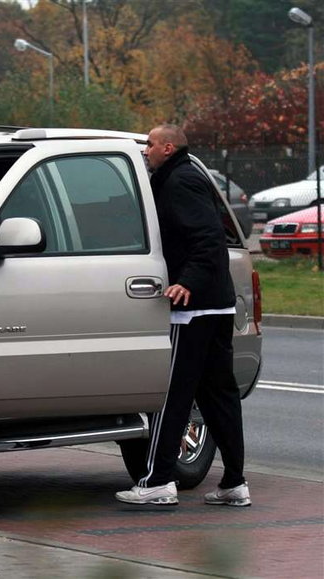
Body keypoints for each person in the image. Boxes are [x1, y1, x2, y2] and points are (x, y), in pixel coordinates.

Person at [115, 124, 250, 507]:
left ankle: (158, 481)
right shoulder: (183, 175)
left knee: (171, 394)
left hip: (195, 310)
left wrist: (186, 281)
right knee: (218, 396)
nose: (146, 150)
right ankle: (235, 483)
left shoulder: (180, 181)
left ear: (168, 147)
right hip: (215, 306)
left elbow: (209, 239)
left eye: (151, 144)